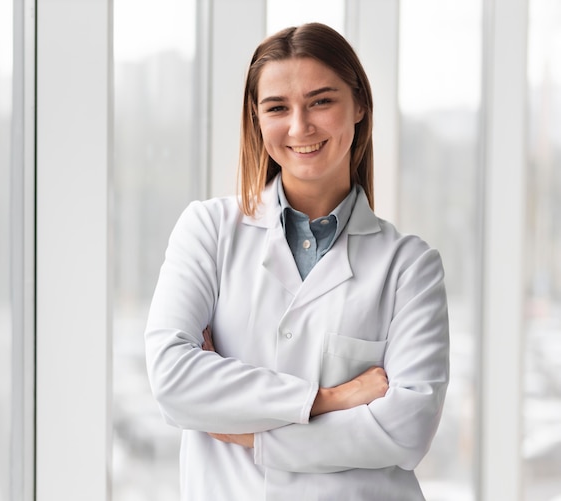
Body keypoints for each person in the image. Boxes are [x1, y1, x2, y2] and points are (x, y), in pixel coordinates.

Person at [144, 22, 449, 501]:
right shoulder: (209, 231)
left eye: (321, 101)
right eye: (277, 108)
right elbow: (172, 379)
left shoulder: (409, 267)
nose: (299, 126)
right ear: (257, 119)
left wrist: (251, 434)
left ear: (360, 105)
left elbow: (406, 431)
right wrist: (331, 399)